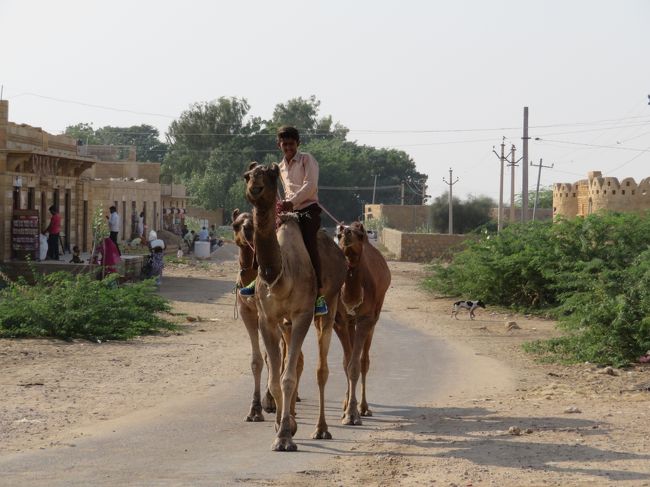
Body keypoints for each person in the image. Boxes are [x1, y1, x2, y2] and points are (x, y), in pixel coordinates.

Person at [240, 125, 328, 316]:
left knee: (310, 243)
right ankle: (257, 278)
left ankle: (318, 293)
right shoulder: (279, 167)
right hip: (287, 211)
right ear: (279, 144)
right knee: (262, 233)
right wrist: (280, 205)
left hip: (307, 210)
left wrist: (291, 202)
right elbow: (280, 192)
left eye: (291, 144)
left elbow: (310, 186)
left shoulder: (307, 160)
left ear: (298, 143)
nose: (288, 147)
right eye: (284, 144)